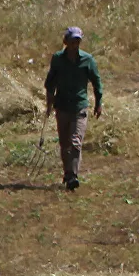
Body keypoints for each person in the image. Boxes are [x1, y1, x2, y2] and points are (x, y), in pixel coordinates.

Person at [43, 26, 102, 191]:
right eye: (72, 41)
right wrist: (49, 104)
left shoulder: (87, 60)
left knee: (76, 142)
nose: (75, 44)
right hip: (62, 106)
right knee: (64, 143)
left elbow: (96, 82)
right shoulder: (58, 59)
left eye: (78, 41)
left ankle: (73, 176)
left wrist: (98, 103)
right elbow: (50, 83)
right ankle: (67, 173)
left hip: (79, 106)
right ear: (65, 42)